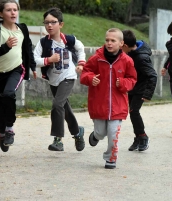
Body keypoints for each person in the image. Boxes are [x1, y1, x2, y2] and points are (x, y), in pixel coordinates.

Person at [0, 0, 37, 152]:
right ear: (1, 14)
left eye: (15, 9)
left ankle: (9, 129)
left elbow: (28, 49)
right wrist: (5, 47)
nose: (13, 12)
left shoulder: (22, 29)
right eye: (9, 10)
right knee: (1, 104)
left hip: (16, 69)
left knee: (8, 94)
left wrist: (32, 66)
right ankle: (1, 132)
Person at [80, 28, 137, 169]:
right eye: (107, 40)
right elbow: (85, 73)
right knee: (101, 132)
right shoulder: (96, 58)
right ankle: (96, 136)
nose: (109, 43)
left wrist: (123, 83)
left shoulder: (127, 61)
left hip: (118, 106)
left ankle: (111, 158)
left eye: (113, 40)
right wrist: (90, 78)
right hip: (99, 104)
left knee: (113, 135)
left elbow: (132, 79)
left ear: (121, 43)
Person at [34, 7, 86, 152]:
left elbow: (81, 49)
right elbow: (34, 59)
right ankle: (77, 132)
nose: (49, 25)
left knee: (57, 105)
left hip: (68, 77)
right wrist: (48, 60)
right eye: (46, 22)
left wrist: (81, 64)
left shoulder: (69, 40)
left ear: (61, 24)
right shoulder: (43, 42)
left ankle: (58, 140)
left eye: (53, 22)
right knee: (64, 108)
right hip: (53, 79)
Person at [122, 30, 157, 151]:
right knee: (132, 112)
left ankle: (143, 137)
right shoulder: (129, 52)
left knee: (134, 111)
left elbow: (153, 75)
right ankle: (137, 137)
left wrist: (148, 94)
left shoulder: (141, 58)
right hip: (133, 86)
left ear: (125, 45)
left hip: (141, 88)